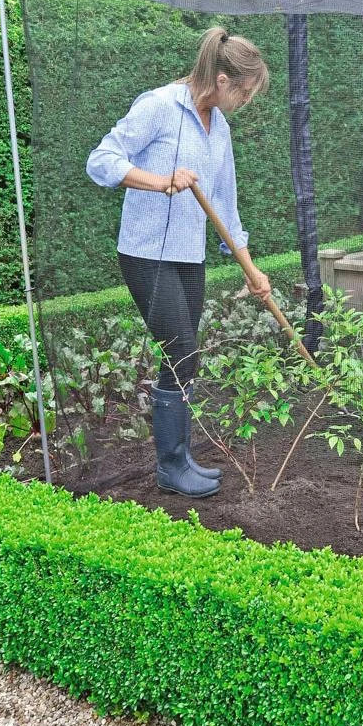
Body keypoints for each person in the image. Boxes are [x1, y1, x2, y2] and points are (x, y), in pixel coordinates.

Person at [86, 27, 272, 499]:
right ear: (223, 80)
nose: (247, 101)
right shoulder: (159, 106)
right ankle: (170, 467)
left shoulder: (219, 128)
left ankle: (182, 457)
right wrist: (160, 180)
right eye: (246, 92)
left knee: (185, 357)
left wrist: (251, 269)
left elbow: (226, 208)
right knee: (182, 349)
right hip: (147, 253)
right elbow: (101, 160)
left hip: (190, 256)